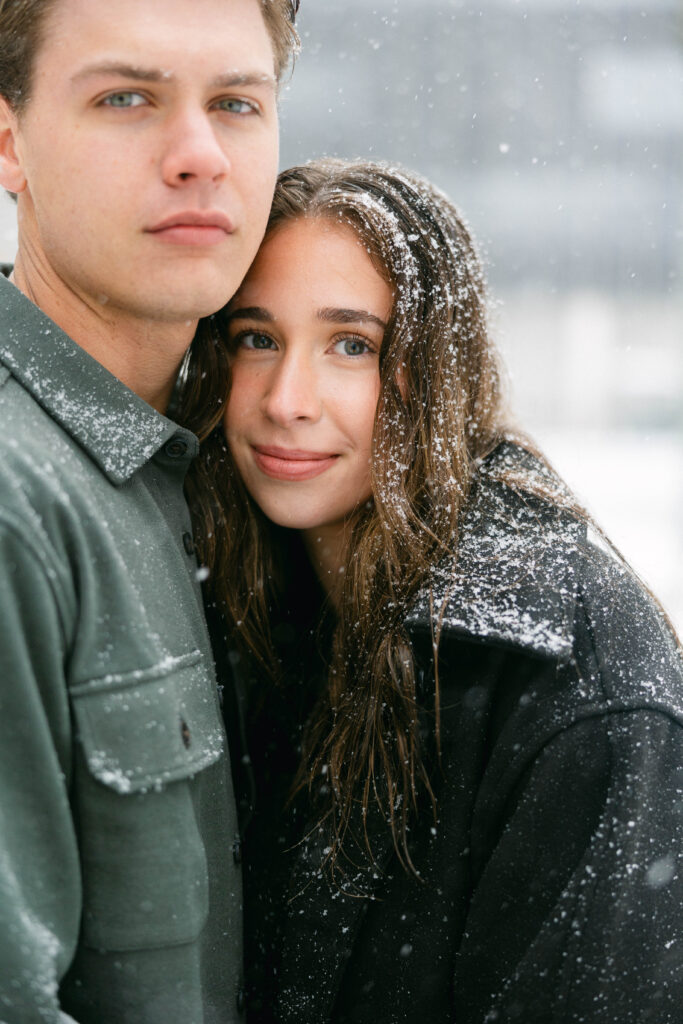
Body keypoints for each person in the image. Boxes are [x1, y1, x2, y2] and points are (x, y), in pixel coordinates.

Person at [184, 159, 683, 1023]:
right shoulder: (243, 591)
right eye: (255, 338)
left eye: (352, 345)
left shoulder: (575, 689)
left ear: (438, 370)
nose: (285, 400)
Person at [0, 0, 299, 1020]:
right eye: (126, 98)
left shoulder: (233, 465)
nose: (198, 155)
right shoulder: (16, 505)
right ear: (8, 141)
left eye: (235, 102)